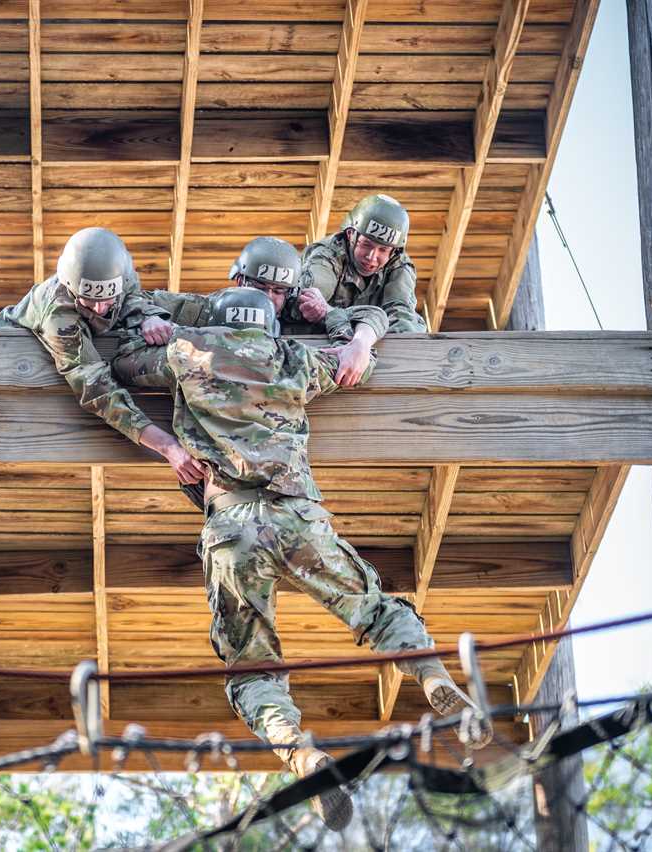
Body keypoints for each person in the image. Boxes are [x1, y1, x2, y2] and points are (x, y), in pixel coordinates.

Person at [125, 285, 488, 831]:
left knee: (251, 665)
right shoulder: (293, 358)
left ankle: (302, 754)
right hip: (299, 518)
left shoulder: (189, 351)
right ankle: (431, 674)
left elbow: (129, 364)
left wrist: (168, 331)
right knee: (374, 610)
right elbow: (352, 366)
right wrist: (353, 334)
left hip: (231, 527)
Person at [0, 227, 202, 485]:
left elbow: (132, 297)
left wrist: (148, 316)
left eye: (107, 300)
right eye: (89, 301)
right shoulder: (59, 314)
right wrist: (167, 446)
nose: (100, 309)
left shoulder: (119, 275)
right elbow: (98, 390)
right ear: (71, 287)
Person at [117, 236, 382, 389]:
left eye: (278, 291)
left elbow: (373, 314)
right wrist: (149, 316)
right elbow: (134, 298)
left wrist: (354, 338)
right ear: (239, 280)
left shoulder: (298, 309)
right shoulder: (211, 308)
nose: (267, 297)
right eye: (259, 285)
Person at [297, 193, 426, 335]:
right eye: (366, 244)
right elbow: (309, 298)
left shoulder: (399, 265)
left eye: (383, 250)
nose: (372, 257)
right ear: (350, 235)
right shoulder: (327, 255)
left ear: (394, 251)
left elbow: (402, 316)